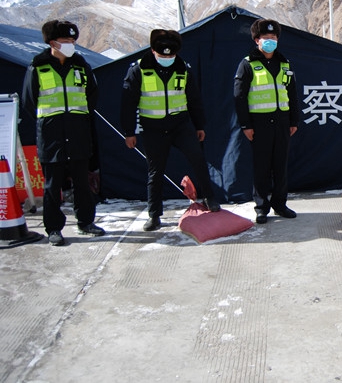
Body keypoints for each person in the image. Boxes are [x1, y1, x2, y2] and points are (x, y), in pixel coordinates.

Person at [121, 29, 220, 232]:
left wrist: (199, 125)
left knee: (198, 160)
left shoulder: (183, 68)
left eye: (171, 55)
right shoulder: (139, 69)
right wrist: (129, 132)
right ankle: (154, 215)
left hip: (181, 125)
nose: (167, 58)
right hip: (153, 128)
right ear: (153, 51)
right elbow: (128, 103)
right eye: (162, 55)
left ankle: (210, 199)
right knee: (155, 172)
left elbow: (194, 99)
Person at [21, 20, 104, 246]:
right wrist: (51, 121)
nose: (70, 44)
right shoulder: (38, 67)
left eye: (72, 41)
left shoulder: (81, 66)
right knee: (52, 185)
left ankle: (86, 221)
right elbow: (29, 101)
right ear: (52, 43)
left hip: (78, 132)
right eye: (65, 41)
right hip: (51, 135)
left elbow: (92, 95)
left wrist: (77, 118)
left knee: (82, 182)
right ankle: (54, 228)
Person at [234, 19, 299, 224]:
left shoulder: (285, 63)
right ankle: (261, 207)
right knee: (261, 167)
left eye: (273, 37)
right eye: (265, 37)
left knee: (280, 166)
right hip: (259, 123)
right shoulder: (247, 64)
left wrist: (294, 120)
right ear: (257, 40)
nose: (270, 41)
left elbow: (292, 93)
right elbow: (239, 97)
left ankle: (280, 204)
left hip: (282, 121)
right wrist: (246, 125)